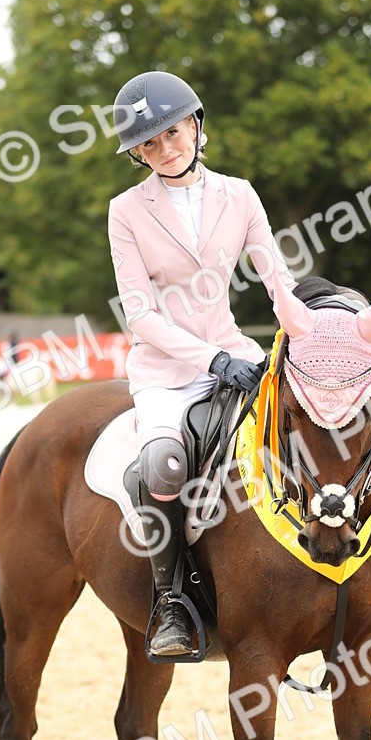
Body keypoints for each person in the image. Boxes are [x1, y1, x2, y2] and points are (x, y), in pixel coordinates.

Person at [108, 70, 297, 658]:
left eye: (173, 132)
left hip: (236, 352)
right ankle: (172, 602)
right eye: (150, 142)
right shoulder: (126, 212)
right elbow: (139, 314)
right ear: (139, 152)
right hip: (167, 371)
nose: (166, 149)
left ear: (196, 124)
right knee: (162, 466)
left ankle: (361, 566)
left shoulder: (239, 195)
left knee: (322, 419)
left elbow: (277, 279)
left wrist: (314, 330)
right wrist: (210, 359)